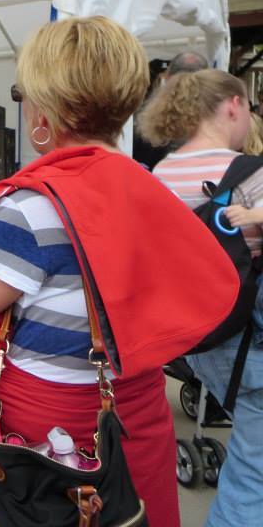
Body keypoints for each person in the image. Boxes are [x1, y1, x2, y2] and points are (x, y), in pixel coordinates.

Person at [0, 17, 181, 527]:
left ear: (45, 107)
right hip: (135, 424)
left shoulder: (31, 210)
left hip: (46, 441)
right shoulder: (158, 192)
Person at [139, 69, 263, 525]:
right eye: (248, 108)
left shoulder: (159, 174)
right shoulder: (253, 174)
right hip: (249, 345)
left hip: (196, 344)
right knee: (254, 475)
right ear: (233, 104)